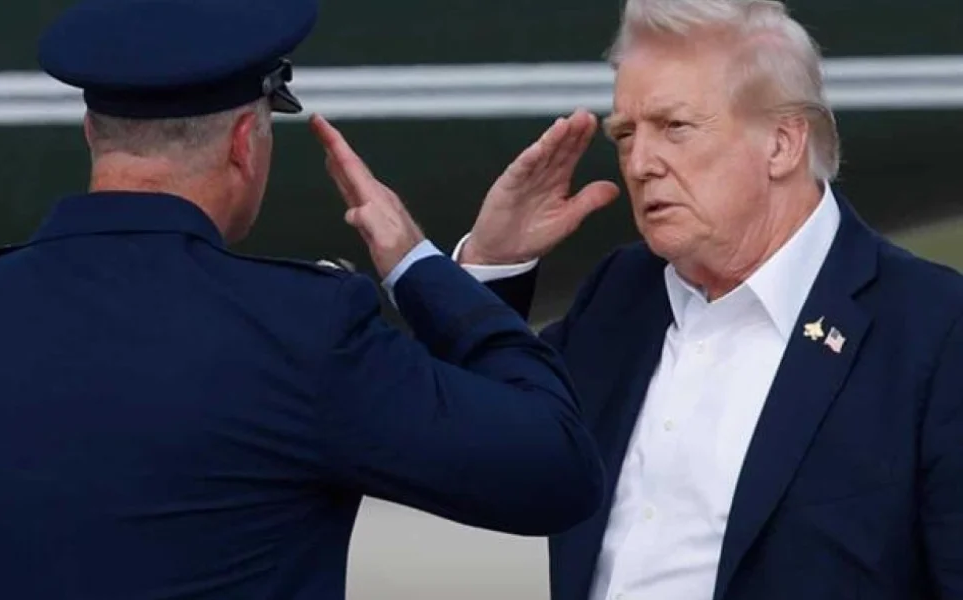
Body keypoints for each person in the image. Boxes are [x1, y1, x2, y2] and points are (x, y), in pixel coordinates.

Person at [0, 0, 606, 598]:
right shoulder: (301, 332)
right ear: (245, 142)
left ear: (90, 133)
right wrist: (420, 268)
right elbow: (553, 468)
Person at [365, 0, 963, 599]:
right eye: (625, 135)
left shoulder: (933, 331)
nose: (640, 164)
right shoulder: (620, 296)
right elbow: (468, 448)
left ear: (782, 144)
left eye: (674, 126)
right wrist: (493, 266)